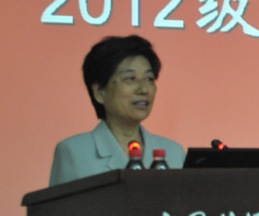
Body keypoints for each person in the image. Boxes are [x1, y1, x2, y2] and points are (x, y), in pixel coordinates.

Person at [49, 35, 185, 186]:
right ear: (99, 92)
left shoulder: (174, 152)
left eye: (149, 79)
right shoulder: (74, 152)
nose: (144, 89)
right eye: (130, 78)